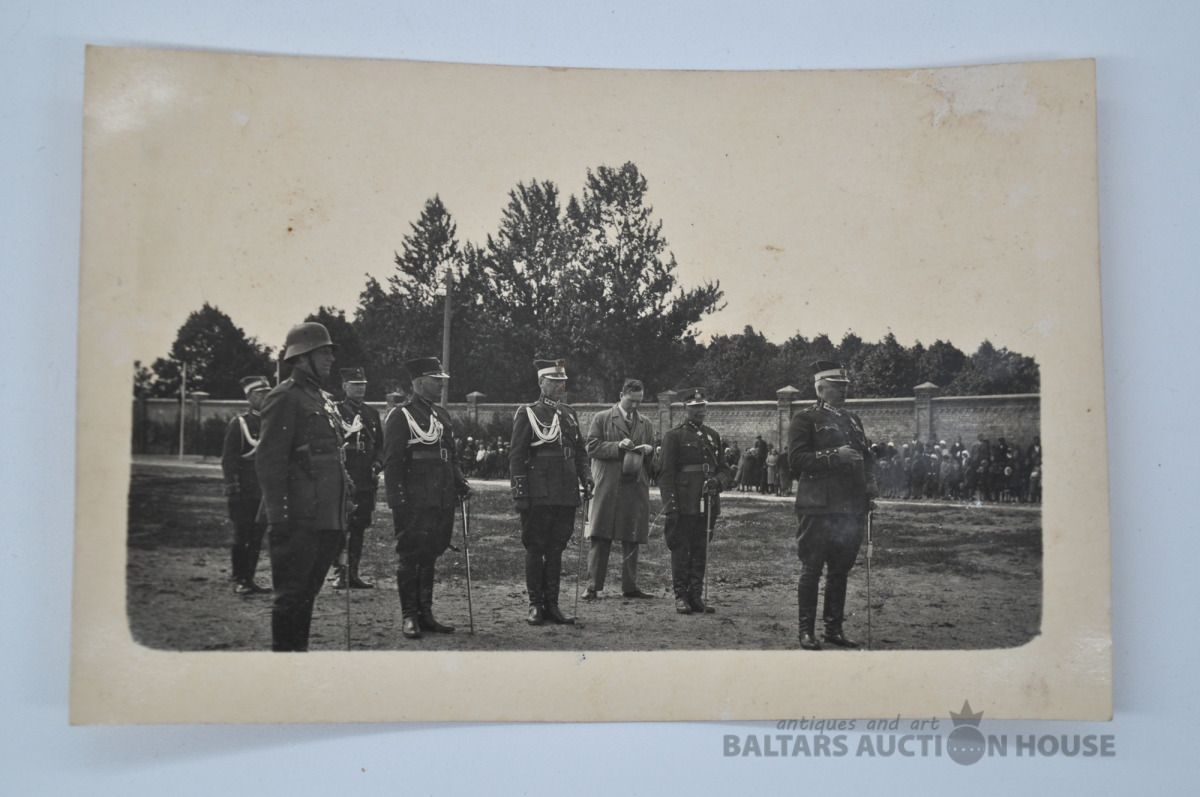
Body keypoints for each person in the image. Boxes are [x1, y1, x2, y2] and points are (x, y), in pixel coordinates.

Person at [256, 322, 348, 652]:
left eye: (330, 353)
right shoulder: (284, 397)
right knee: (291, 596)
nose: (331, 359)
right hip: (296, 518)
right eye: (323, 353)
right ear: (302, 357)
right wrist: (279, 517)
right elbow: (270, 461)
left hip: (323, 516)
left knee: (307, 594)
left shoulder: (320, 398)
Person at [788, 360, 877, 651]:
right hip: (818, 506)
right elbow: (796, 460)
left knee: (840, 570)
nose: (844, 391)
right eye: (837, 386)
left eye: (845, 386)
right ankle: (806, 631)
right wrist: (834, 455)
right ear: (820, 389)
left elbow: (867, 457)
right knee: (812, 568)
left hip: (850, 507)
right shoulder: (805, 419)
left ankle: (833, 629)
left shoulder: (853, 420)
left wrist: (870, 485)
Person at [383, 356, 470, 639]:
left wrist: (460, 483)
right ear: (420, 383)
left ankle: (426, 613)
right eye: (436, 380)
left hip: (441, 497)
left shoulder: (441, 415)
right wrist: (397, 500)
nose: (441, 385)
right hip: (414, 499)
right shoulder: (401, 415)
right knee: (410, 555)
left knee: (431, 553)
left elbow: (450, 455)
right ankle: (409, 615)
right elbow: (392, 462)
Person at [509, 359, 593, 625]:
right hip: (539, 491)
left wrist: (587, 477)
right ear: (541, 382)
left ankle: (553, 604)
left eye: (562, 381)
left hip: (566, 490)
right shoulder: (528, 412)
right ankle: (535, 604)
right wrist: (520, 493)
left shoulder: (569, 413)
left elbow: (579, 452)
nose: (560, 386)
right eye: (554, 381)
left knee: (557, 548)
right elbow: (517, 455)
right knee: (536, 547)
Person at [658, 388, 733, 614]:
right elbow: (666, 474)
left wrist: (717, 482)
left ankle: (696, 596)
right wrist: (670, 506)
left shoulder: (713, 436)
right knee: (681, 549)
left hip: (707, 501)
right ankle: (681, 596)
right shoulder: (674, 436)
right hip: (684, 502)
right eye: (695, 407)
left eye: (702, 406)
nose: (700, 411)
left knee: (701, 549)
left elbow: (725, 470)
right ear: (685, 408)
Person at [583, 378, 656, 600]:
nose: (634, 405)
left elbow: (652, 462)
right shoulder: (602, 418)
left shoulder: (645, 423)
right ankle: (592, 586)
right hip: (607, 485)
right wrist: (617, 446)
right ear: (621, 395)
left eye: (639, 401)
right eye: (631, 400)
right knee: (600, 535)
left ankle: (630, 586)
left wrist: (650, 451)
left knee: (632, 535)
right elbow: (591, 447)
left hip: (634, 486)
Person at [330, 367, 383, 590]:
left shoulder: (371, 413)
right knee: (342, 527)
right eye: (355, 384)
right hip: (344, 475)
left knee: (359, 526)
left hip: (365, 477)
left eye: (363, 384)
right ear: (345, 386)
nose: (360, 388)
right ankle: (340, 572)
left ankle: (353, 573)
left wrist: (377, 463)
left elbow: (380, 445)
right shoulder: (335, 411)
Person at [221, 375, 272, 595]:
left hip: (264, 492)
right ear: (249, 397)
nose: (265, 397)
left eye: (267, 393)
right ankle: (239, 579)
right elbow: (229, 460)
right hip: (244, 491)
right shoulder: (240, 423)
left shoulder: (273, 422)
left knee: (257, 536)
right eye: (260, 394)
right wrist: (233, 489)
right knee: (242, 534)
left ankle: (249, 578)